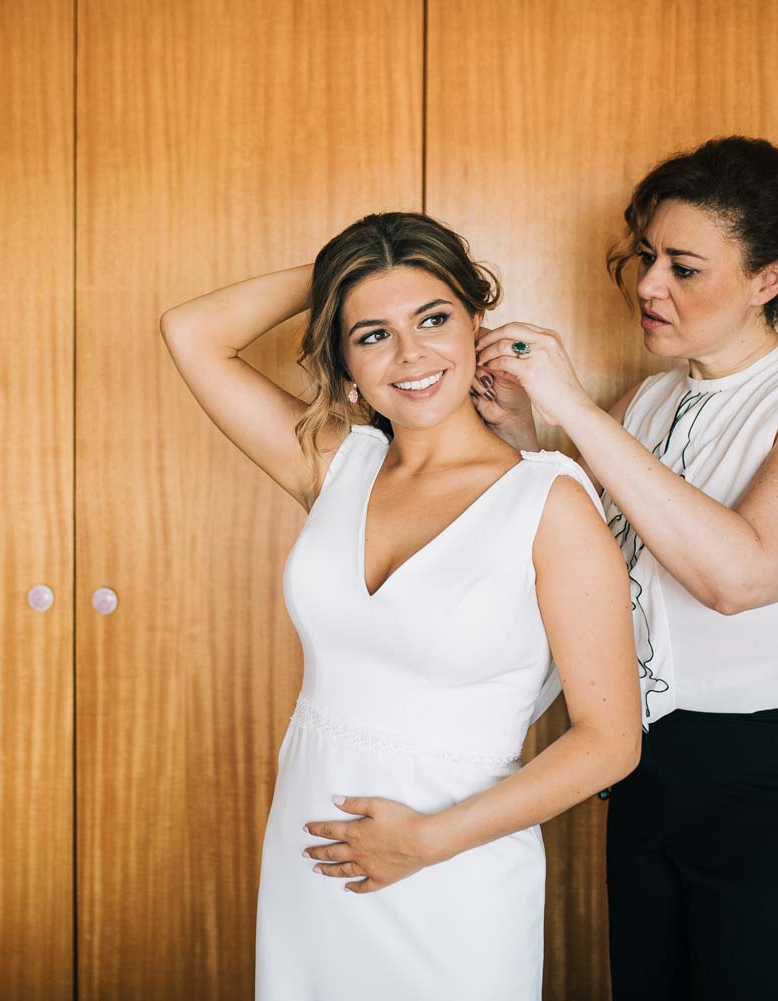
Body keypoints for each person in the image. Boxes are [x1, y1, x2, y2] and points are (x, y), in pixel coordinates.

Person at [473, 136, 778, 1000]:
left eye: (684, 265)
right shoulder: (650, 399)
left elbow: (738, 578)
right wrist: (527, 440)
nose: (648, 284)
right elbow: (609, 571)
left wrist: (568, 405)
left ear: (769, 279)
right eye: (646, 255)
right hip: (655, 761)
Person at [160, 211, 640, 999]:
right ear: (344, 358)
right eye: (373, 333)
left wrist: (425, 841)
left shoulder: (548, 500)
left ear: (475, 323)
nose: (411, 354)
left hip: (453, 865)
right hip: (310, 859)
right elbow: (192, 332)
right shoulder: (339, 466)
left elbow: (611, 739)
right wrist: (342, 270)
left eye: (434, 318)